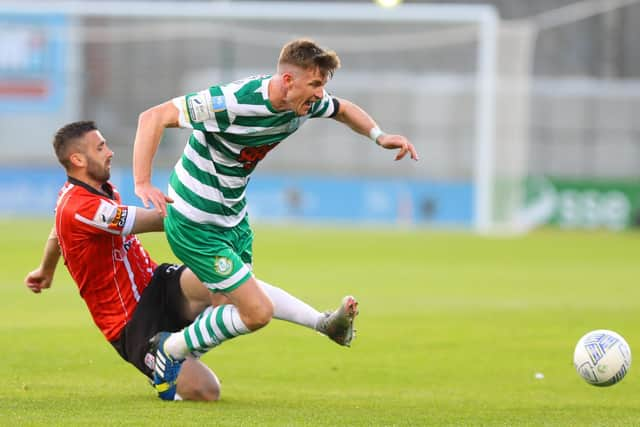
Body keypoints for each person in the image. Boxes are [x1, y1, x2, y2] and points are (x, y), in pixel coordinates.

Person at [132, 38, 417, 396]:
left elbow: (343, 108)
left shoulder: (305, 103)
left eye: (322, 86)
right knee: (256, 312)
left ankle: (171, 358)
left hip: (233, 219)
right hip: (195, 221)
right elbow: (152, 117)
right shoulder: (233, 102)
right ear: (287, 80)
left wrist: (380, 136)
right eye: (314, 85)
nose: (319, 95)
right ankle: (168, 348)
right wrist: (142, 181)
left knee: (228, 309)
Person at [25, 121, 359, 401]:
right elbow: (159, 221)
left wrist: (46, 270)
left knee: (229, 285)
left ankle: (323, 323)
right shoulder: (81, 207)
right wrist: (202, 203)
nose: (110, 151)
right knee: (206, 391)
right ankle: (169, 353)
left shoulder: (95, 191)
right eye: (100, 148)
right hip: (131, 323)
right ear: (77, 159)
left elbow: (58, 232)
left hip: (157, 283)